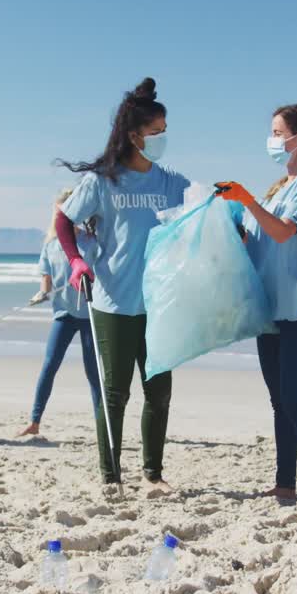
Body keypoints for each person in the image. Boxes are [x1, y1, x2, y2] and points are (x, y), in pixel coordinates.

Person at [53, 77, 191, 491]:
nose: (162, 138)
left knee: (159, 392)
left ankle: (153, 473)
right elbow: (64, 219)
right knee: (115, 393)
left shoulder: (171, 183)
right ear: (134, 136)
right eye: (156, 132)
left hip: (159, 302)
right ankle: (111, 475)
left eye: (165, 131)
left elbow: (202, 211)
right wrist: (76, 260)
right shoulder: (103, 181)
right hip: (113, 300)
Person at [215, 104, 297, 514]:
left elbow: (283, 232)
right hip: (269, 309)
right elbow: (258, 240)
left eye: (278, 132)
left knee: (296, 400)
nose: (272, 140)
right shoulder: (279, 187)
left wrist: (247, 199)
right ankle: (285, 486)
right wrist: (232, 221)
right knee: (279, 401)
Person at [20, 189, 103, 437]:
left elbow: (104, 273)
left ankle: (102, 425)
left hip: (90, 315)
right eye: (57, 212)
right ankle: (34, 422)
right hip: (63, 315)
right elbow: (46, 281)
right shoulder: (50, 246)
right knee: (49, 366)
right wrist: (41, 294)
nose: (60, 216)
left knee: (93, 372)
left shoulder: (92, 242)